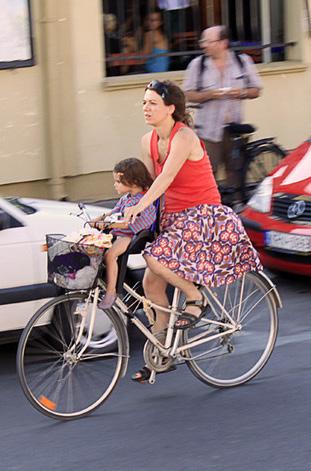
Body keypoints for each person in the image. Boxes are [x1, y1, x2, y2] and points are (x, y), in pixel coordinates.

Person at [123, 79, 263, 383]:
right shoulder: (147, 140)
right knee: (151, 284)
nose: (146, 107)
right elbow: (148, 187)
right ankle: (161, 352)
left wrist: (140, 205)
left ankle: (194, 298)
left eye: (152, 103)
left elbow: (165, 179)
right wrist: (122, 212)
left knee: (154, 259)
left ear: (170, 109)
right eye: (144, 102)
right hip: (174, 219)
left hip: (204, 216)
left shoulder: (184, 137)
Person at [183, 25, 262, 204]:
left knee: (235, 175)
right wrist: (209, 95)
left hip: (234, 130)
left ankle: (232, 215)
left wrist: (240, 93)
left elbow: (256, 89)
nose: (204, 45)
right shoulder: (198, 65)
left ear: (223, 43)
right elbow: (188, 94)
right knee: (205, 177)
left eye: (209, 41)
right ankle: (209, 213)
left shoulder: (243, 62)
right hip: (208, 131)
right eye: (203, 41)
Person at [91, 158, 156, 309]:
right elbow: (113, 212)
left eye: (118, 182)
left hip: (130, 235)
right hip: (120, 232)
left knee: (110, 255)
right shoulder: (125, 198)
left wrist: (107, 223)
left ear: (132, 183)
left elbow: (128, 223)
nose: (115, 185)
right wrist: (100, 218)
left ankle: (111, 291)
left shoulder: (141, 202)